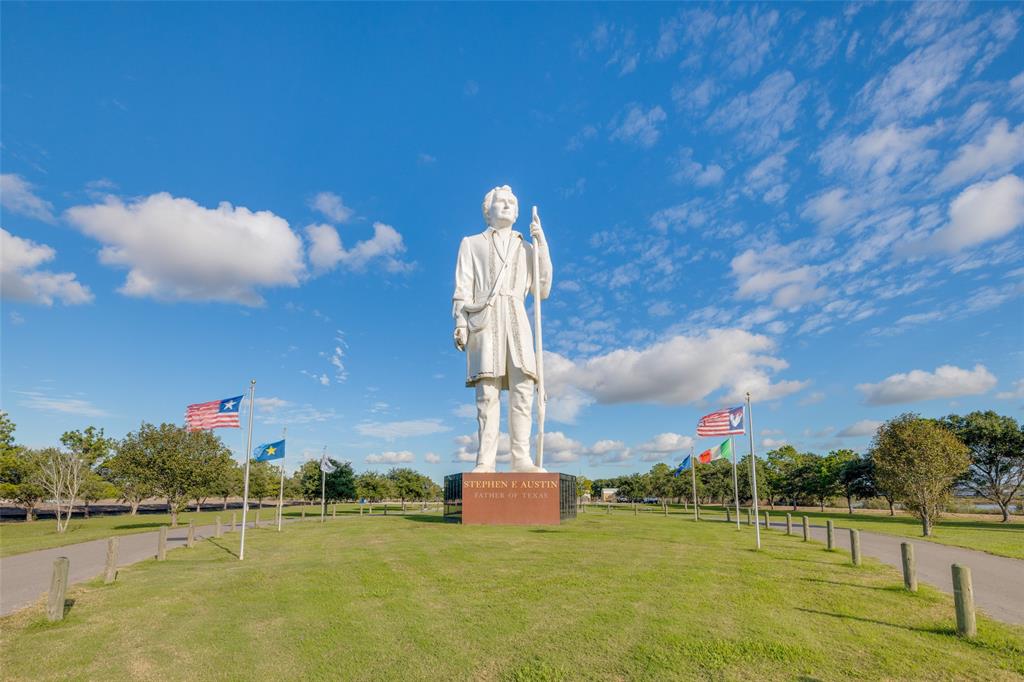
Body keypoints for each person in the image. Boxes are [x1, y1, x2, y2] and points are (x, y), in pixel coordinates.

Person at [452, 185, 552, 473]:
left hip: (518, 318)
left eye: (511, 202)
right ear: (488, 209)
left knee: (523, 390)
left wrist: (541, 243)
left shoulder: (527, 247)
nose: (507, 206)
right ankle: (485, 460)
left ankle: (521, 458)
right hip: (485, 320)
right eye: (500, 202)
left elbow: (542, 289)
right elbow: (462, 287)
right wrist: (459, 321)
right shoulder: (471, 243)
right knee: (487, 394)